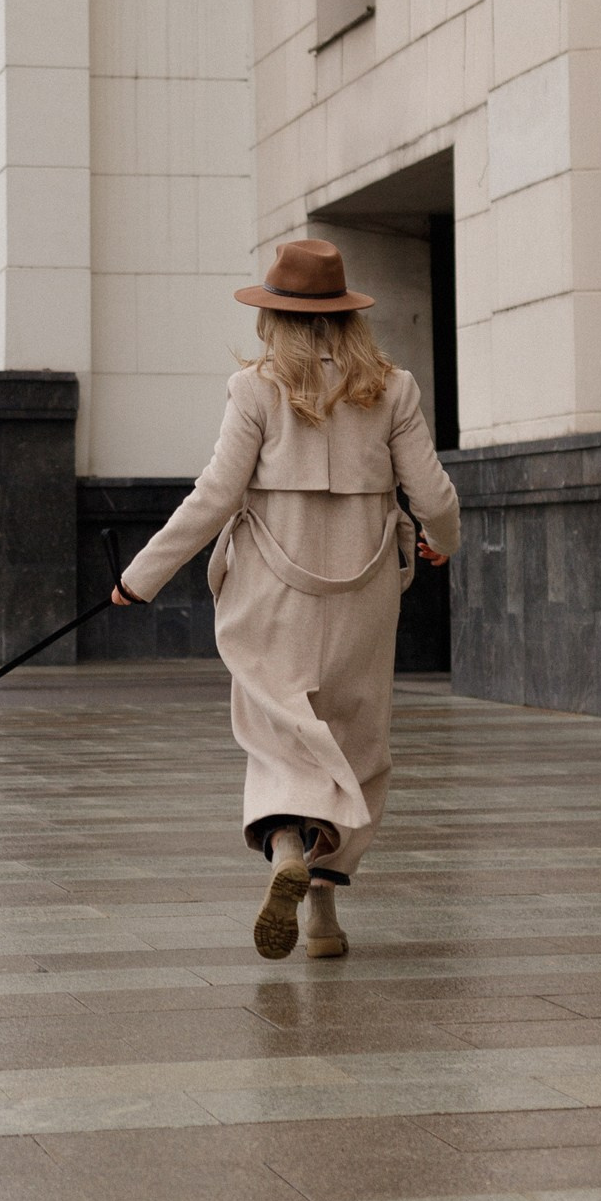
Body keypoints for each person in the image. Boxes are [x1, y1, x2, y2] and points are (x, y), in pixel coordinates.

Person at [112, 238, 460, 961]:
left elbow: (214, 498)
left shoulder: (256, 389)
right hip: (365, 596)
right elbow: (433, 494)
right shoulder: (393, 388)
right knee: (357, 744)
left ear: (274, 317)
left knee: (277, 737)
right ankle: (325, 916)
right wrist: (443, 540)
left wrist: (138, 578)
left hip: (271, 594)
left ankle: (283, 849)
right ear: (346, 317)